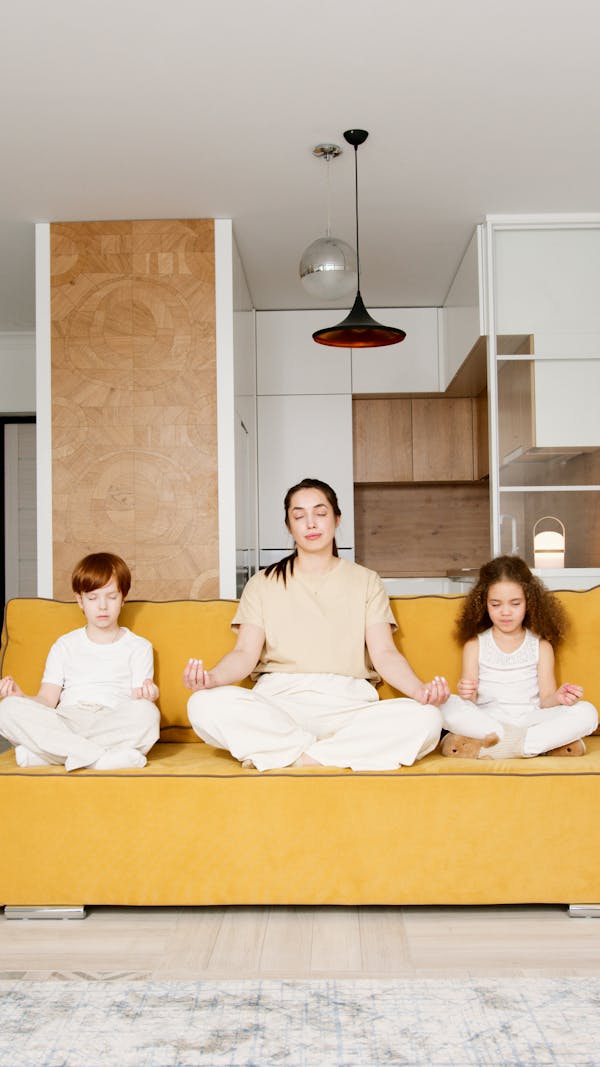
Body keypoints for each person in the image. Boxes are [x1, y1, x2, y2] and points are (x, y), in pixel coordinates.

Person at [184, 478, 449, 771]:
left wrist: (419, 691)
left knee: (428, 719)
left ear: (337, 519)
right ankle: (331, 755)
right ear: (289, 526)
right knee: (201, 705)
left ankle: (296, 757)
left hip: (349, 704)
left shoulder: (367, 581)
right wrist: (212, 679)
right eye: (299, 516)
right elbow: (244, 654)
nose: (310, 523)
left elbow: (385, 654)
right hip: (279, 703)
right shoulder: (262, 583)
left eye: (320, 513)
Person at [0, 552, 160, 771]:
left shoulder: (139, 647)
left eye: (111, 597)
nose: (102, 606)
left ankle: (51, 754)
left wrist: (146, 697)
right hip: (66, 719)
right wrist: (22, 698)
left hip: (112, 719)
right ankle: (98, 760)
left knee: (147, 714)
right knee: (7, 709)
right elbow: (47, 699)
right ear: (80, 601)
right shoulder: (64, 645)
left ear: (123, 598)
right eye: (93, 598)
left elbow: (136, 701)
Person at [440, 555, 598, 759]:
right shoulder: (475, 645)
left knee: (587, 712)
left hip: (529, 720)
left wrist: (558, 697)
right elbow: (469, 704)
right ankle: (535, 746)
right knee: (443, 705)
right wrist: (466, 693)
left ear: (529, 602)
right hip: (489, 720)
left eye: (515, 604)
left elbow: (546, 700)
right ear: (483, 604)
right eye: (496, 605)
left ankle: (500, 747)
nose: (505, 612)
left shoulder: (541, 646)